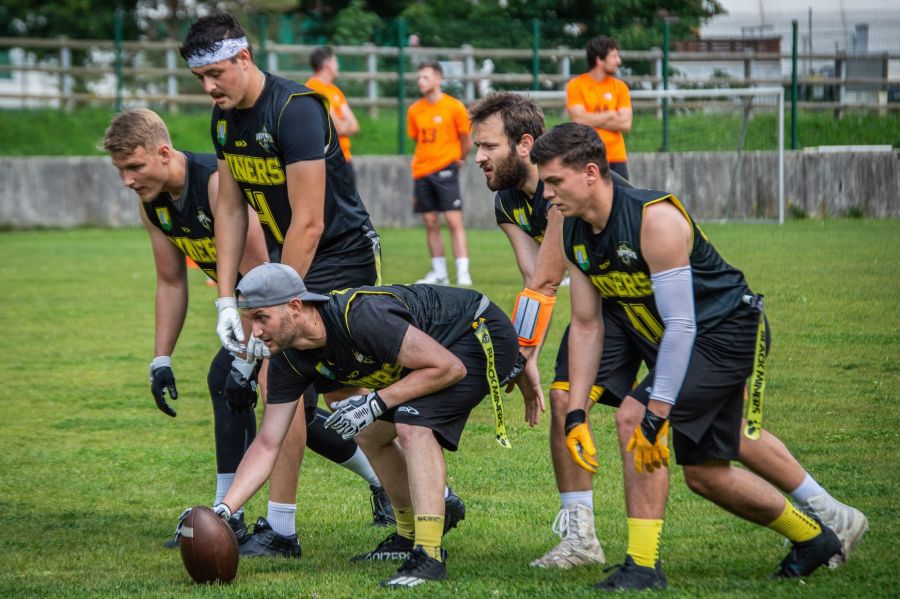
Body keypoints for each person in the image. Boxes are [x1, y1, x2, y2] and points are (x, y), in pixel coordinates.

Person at [530, 122, 868, 590]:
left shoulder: (655, 218)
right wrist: (576, 414)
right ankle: (815, 538)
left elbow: (683, 324)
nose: (546, 194)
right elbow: (588, 326)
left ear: (590, 172)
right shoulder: (572, 230)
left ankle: (642, 567)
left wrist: (656, 412)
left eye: (554, 181)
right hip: (689, 341)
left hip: (727, 333)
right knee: (706, 476)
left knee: (633, 417)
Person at [180, 13, 467, 558]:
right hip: (289, 262)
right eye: (200, 79)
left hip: (340, 253)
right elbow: (230, 211)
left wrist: (273, 303)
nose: (210, 87)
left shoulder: (296, 109)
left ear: (244, 58)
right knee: (340, 392)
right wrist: (226, 299)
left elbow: (309, 222)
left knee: (279, 377)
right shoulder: (224, 122)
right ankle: (433, 494)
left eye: (216, 73)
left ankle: (281, 530)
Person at [101, 107, 395, 549]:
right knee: (288, 408)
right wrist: (161, 358)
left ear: (163, 153)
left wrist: (244, 360)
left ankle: (240, 518)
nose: (127, 180)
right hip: (256, 308)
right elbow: (170, 281)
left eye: (134, 166)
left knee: (255, 388)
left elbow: (260, 277)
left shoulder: (213, 183)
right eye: (120, 170)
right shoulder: (153, 206)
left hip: (286, 302)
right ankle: (380, 486)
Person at [204, 263, 538, 588]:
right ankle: (407, 535)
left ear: (294, 307)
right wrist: (225, 509)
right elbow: (268, 443)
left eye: (261, 318)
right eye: (250, 320)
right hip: (436, 354)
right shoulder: (288, 358)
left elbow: (448, 368)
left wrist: (375, 402)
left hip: (477, 334)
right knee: (369, 432)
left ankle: (429, 555)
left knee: (412, 425)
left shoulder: (360, 317)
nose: (255, 332)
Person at [470, 92, 638, 570]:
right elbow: (535, 278)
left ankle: (820, 514)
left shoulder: (562, 189)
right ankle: (581, 537)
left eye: (488, 146)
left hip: (643, 304)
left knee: (718, 437)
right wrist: (524, 357)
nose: (478, 157)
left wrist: (521, 357)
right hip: (599, 313)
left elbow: (545, 280)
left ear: (525, 145)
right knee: (565, 400)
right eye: (477, 147)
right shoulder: (507, 203)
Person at [407, 61, 473, 287]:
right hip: (422, 171)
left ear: (438, 79)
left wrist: (458, 159)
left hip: (446, 169)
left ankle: (463, 272)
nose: (420, 81)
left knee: (454, 220)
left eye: (425, 77)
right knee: (430, 221)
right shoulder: (414, 110)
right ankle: (440, 272)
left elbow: (466, 139)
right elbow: (417, 139)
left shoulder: (454, 107)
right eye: (419, 77)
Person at [566, 35, 632, 181]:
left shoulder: (620, 87)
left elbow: (625, 123)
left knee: (621, 195)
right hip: (587, 156)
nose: (618, 61)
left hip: (616, 157)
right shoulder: (575, 85)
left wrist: (590, 118)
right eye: (614, 56)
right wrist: (610, 114)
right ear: (599, 60)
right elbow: (578, 120)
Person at [305, 46, 359, 179]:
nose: (337, 65)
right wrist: (343, 122)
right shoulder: (313, 89)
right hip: (328, 162)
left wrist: (342, 124)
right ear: (328, 64)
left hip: (345, 159)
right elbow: (338, 128)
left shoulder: (335, 90)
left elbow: (355, 126)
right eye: (336, 61)